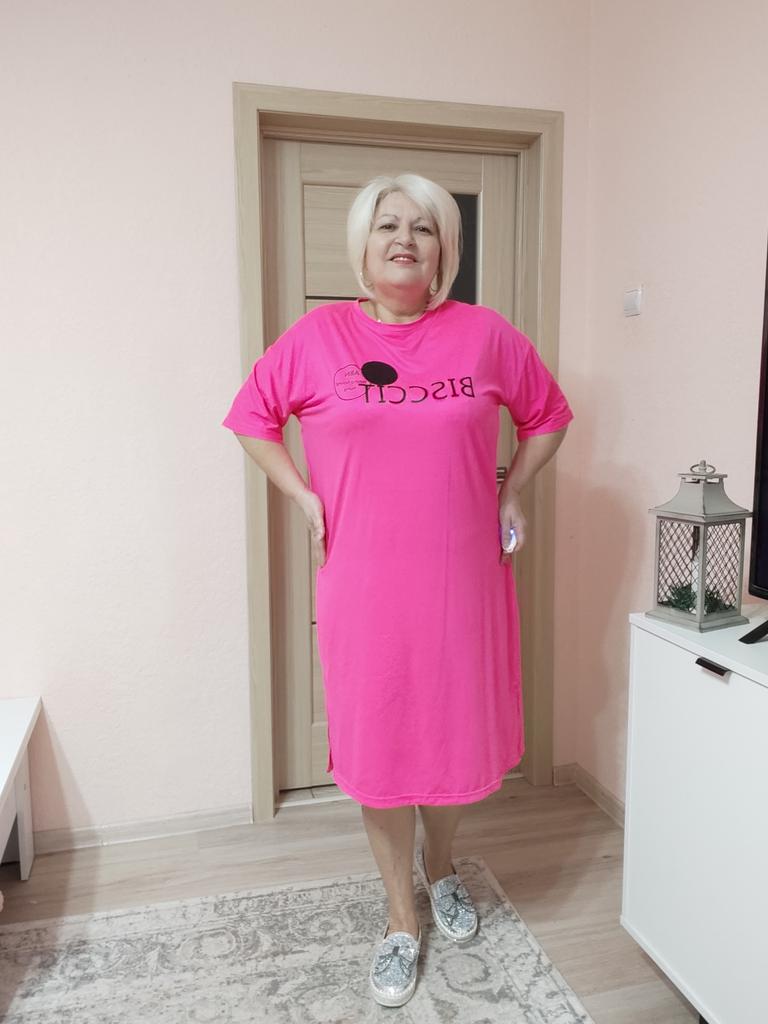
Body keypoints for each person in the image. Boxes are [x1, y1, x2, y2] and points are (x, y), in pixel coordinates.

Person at [221, 173, 573, 1007]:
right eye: (388, 226)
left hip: (462, 579)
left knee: (449, 737)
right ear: (364, 243)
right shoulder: (318, 337)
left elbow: (549, 416)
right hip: (365, 582)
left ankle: (441, 867)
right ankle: (400, 917)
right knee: (380, 745)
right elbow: (251, 418)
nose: (405, 239)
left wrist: (511, 491)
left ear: (444, 249)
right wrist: (303, 496)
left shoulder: (485, 335)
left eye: (423, 227)